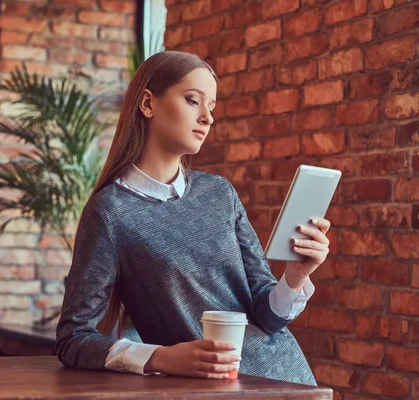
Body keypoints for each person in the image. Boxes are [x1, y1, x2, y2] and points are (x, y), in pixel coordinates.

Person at [55, 51, 331, 385]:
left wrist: (295, 277)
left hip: (290, 380)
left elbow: (267, 316)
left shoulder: (220, 193)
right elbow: (73, 339)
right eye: (192, 100)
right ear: (147, 104)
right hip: (208, 390)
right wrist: (161, 357)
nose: (207, 118)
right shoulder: (110, 213)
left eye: (211, 107)